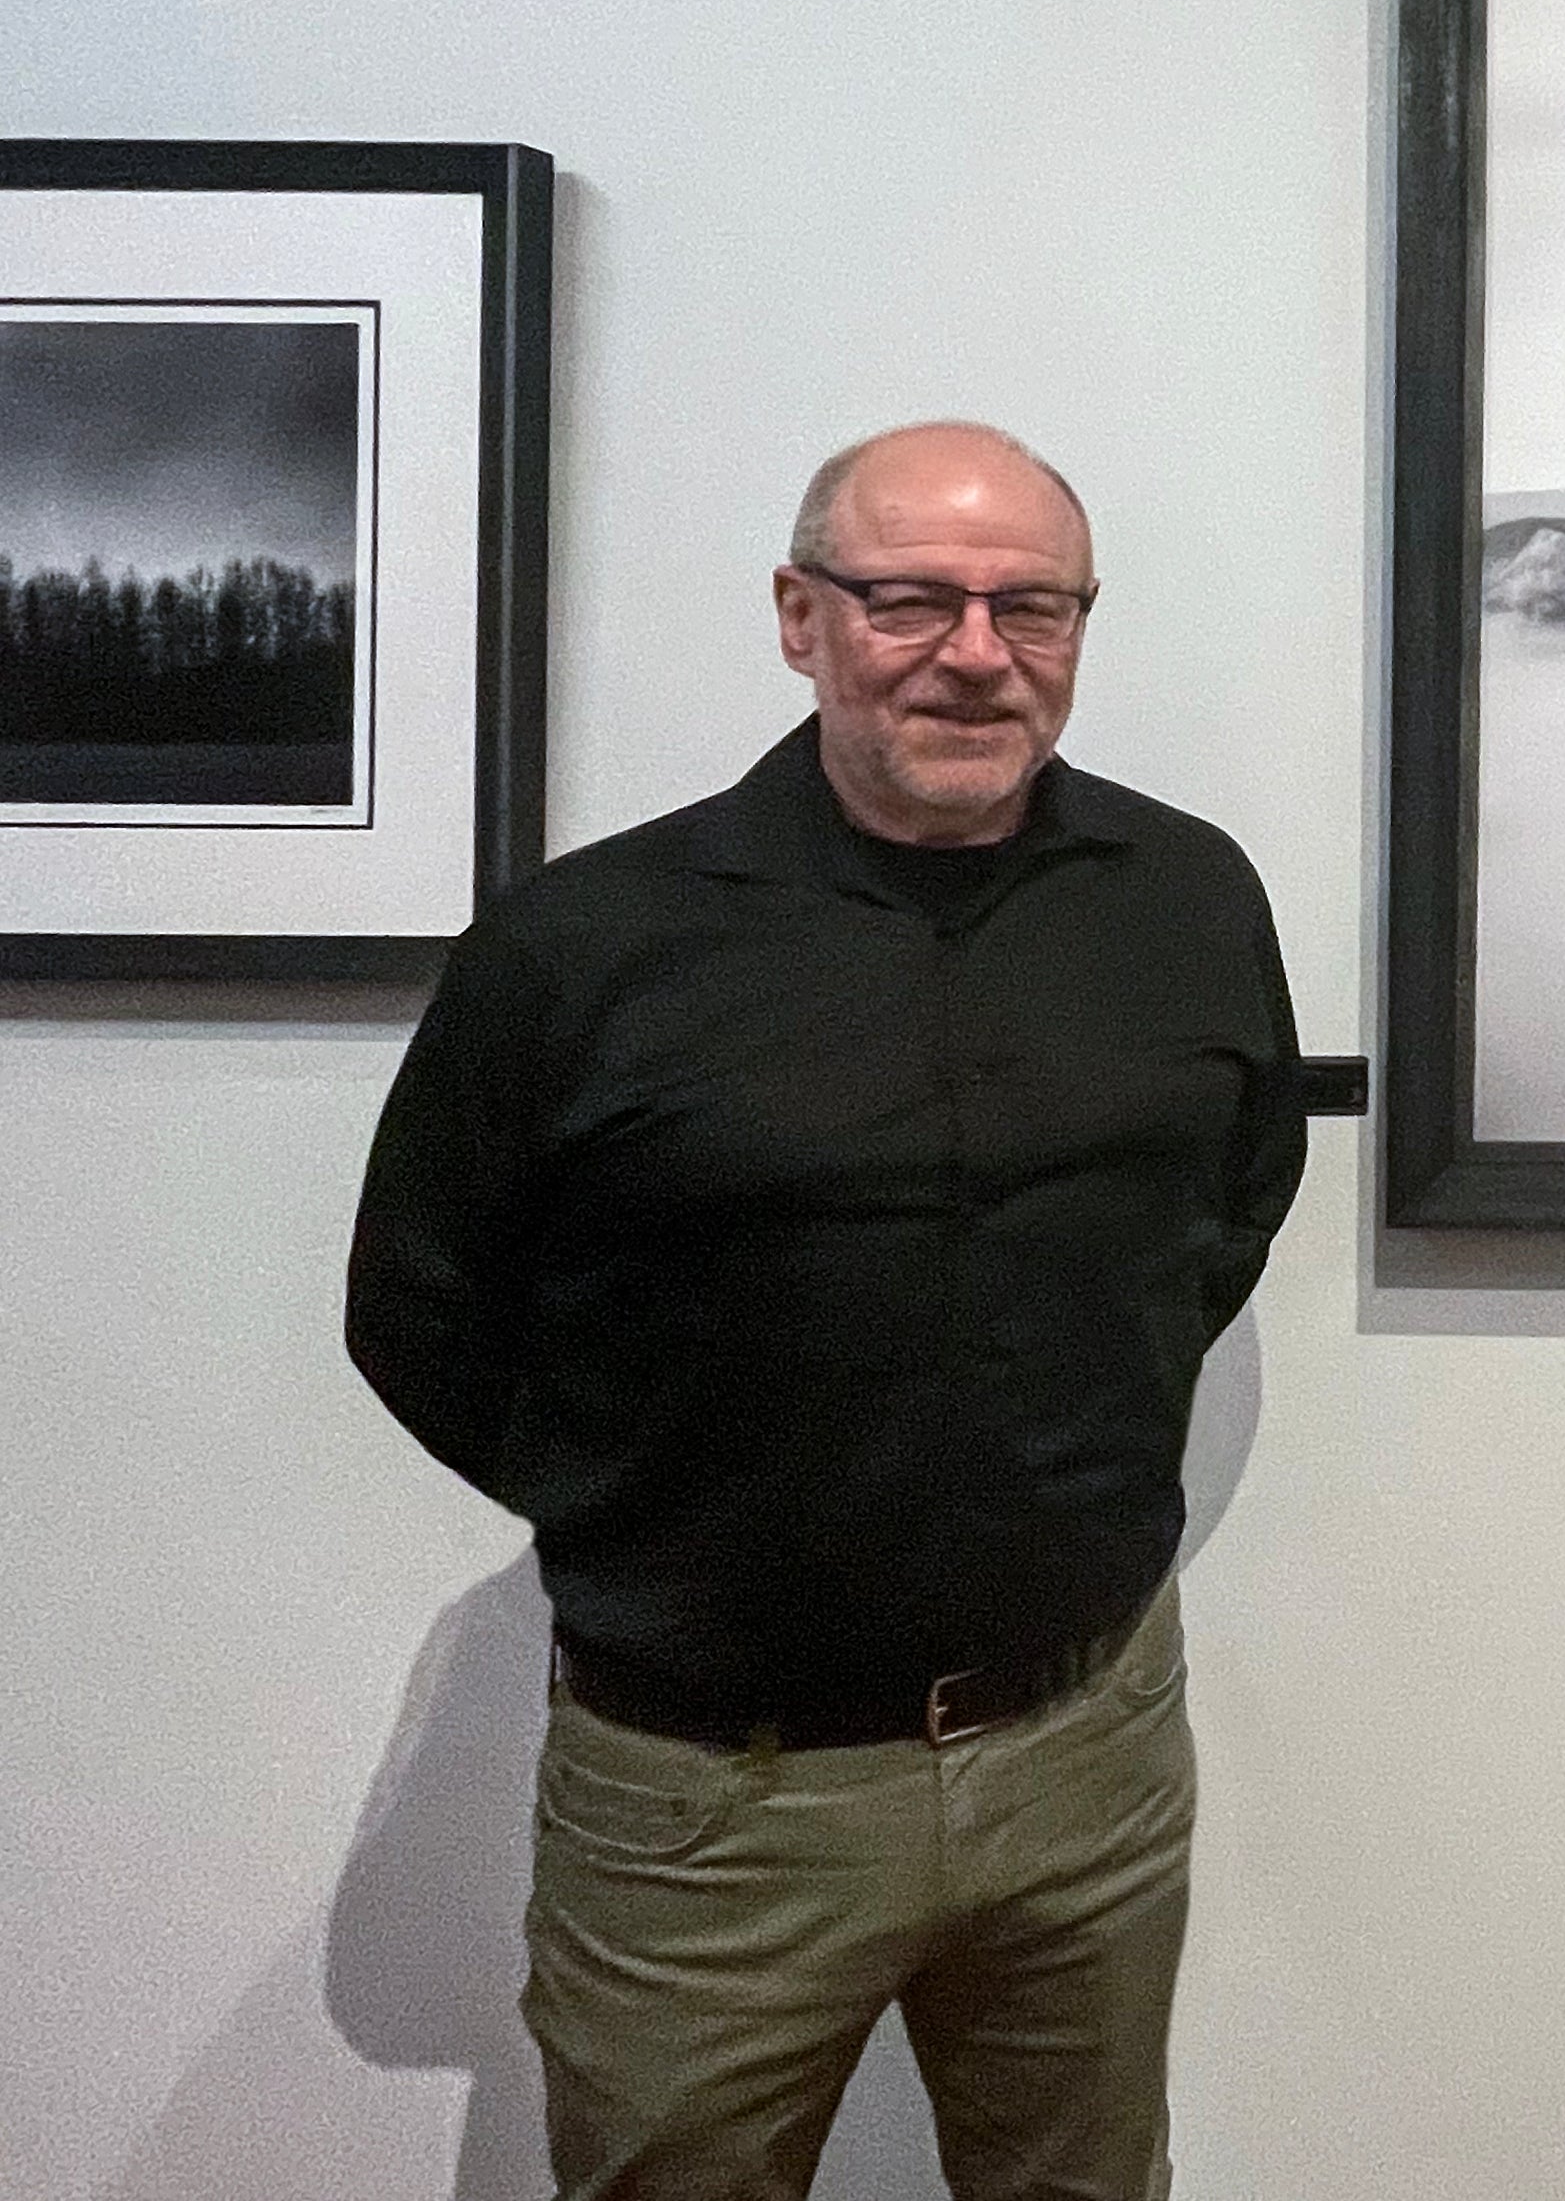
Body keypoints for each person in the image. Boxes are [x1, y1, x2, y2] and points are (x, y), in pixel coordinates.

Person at [345, 420, 1307, 2201]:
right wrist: (684, 1515)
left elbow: (1229, 1215)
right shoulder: (589, 944)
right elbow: (420, 1307)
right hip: (712, 1800)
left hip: (1089, 1756)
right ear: (801, 619)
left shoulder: (1189, 899)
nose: (975, 651)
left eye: (1033, 606)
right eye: (911, 600)